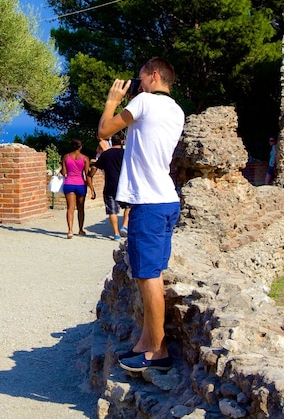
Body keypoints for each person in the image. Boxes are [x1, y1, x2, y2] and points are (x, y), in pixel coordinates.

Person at [97, 57, 185, 373]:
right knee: (154, 274)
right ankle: (145, 344)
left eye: (140, 78)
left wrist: (112, 101)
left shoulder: (145, 102)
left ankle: (158, 352)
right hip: (167, 201)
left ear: (154, 75)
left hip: (148, 204)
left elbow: (105, 131)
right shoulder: (176, 110)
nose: (139, 83)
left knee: (148, 278)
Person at [92, 134, 127, 240]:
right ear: (121, 142)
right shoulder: (126, 154)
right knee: (129, 207)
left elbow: (97, 166)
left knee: (112, 211)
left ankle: (116, 234)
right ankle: (125, 225)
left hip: (110, 185)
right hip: (124, 186)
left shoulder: (106, 154)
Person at [61, 138, 96, 239]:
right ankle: (80, 229)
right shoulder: (85, 158)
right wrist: (92, 189)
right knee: (81, 208)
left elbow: (64, 173)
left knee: (70, 208)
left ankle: (70, 230)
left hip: (69, 183)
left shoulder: (66, 157)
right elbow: (87, 175)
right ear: (81, 146)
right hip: (80, 184)